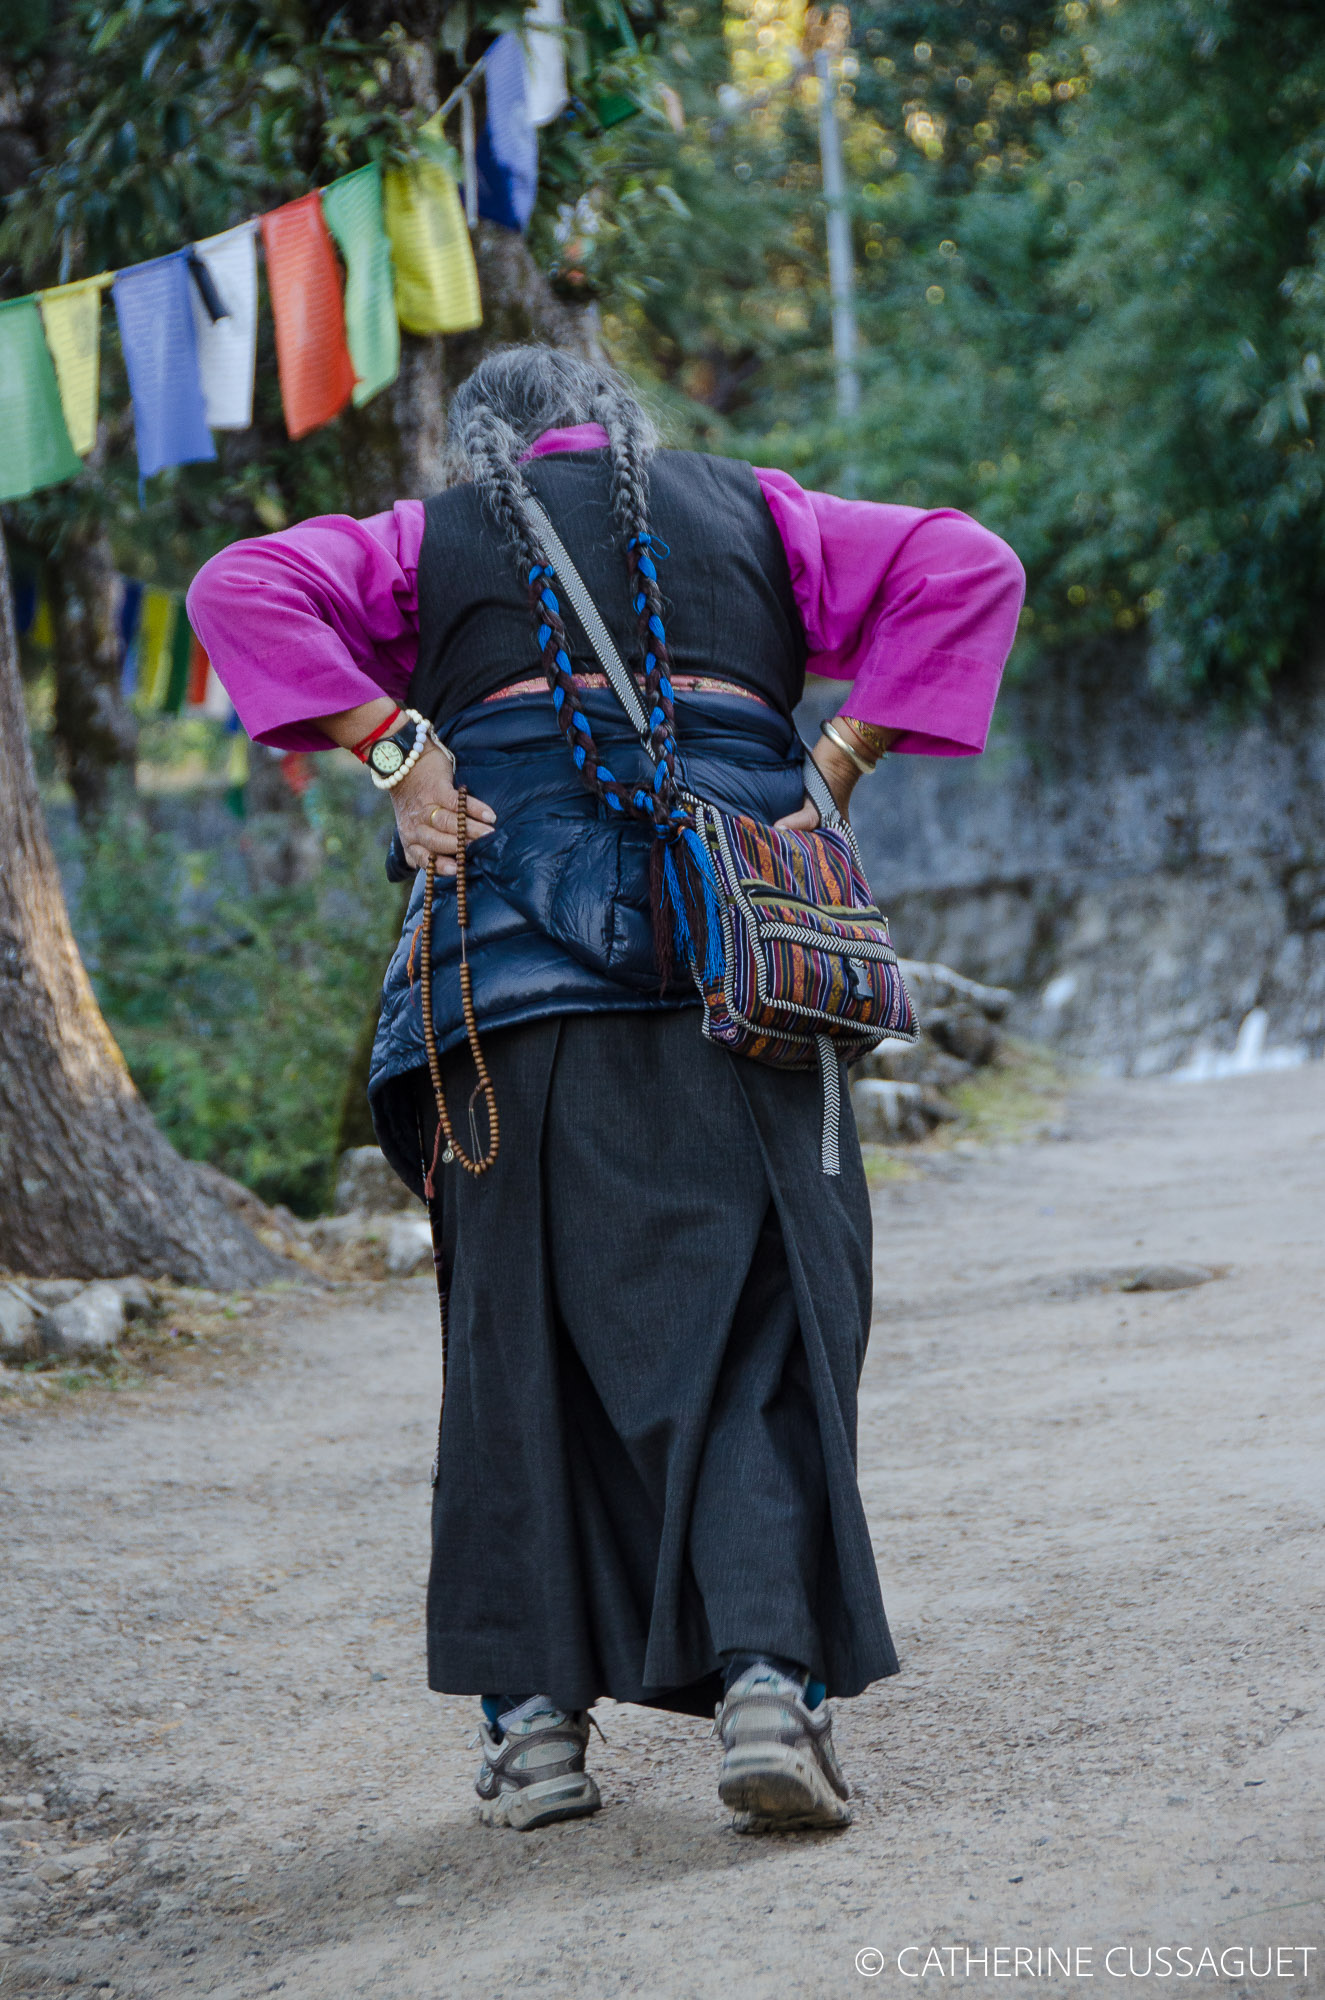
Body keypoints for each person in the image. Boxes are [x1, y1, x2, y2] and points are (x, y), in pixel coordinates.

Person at [189, 345, 1023, 1835]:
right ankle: (771, 1684)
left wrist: (395, 746)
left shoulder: (423, 543)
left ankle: (534, 1742)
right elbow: (964, 562)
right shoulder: (759, 514)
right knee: (759, 1321)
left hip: (506, 1006)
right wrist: (829, 754)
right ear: (625, 435)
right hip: (748, 985)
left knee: (521, 1348)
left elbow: (239, 587)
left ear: (481, 453)